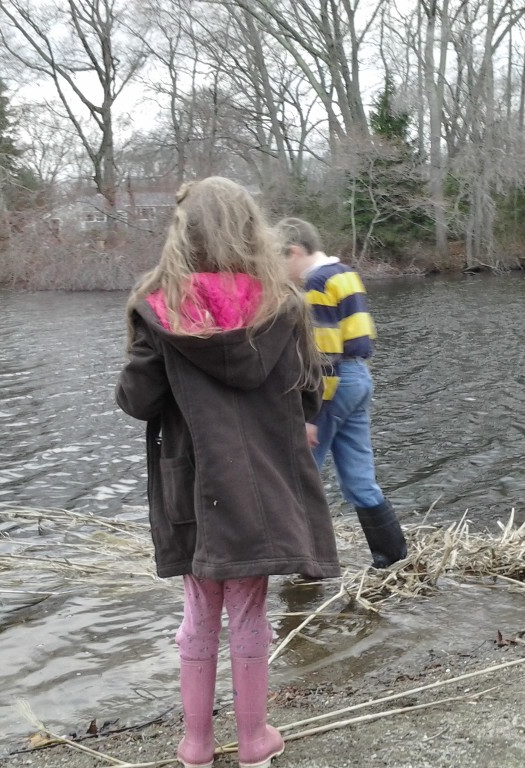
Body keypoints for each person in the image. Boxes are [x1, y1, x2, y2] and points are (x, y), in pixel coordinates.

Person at [116, 178, 340, 768]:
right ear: (251, 231)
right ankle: (254, 742)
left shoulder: (160, 307)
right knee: (248, 611)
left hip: (191, 483)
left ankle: (195, 745)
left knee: (198, 613)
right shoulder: (283, 305)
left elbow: (136, 401)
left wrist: (148, 353)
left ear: (182, 236)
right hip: (261, 487)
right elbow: (311, 393)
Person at [277, 217, 408, 569]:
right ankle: (393, 559)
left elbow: (324, 353)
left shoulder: (316, 282)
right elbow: (360, 334)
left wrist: (311, 416)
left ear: (294, 251)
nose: (279, 271)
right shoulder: (344, 272)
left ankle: (309, 564)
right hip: (359, 376)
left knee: (302, 475)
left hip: (334, 384)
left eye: (280, 262)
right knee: (360, 479)